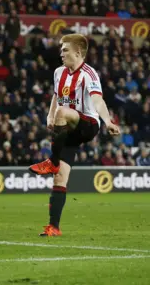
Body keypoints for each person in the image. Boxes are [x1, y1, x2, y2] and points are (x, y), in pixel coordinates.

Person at [29, 34, 120, 236]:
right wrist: (49, 115)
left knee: (63, 112)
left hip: (88, 124)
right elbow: (56, 96)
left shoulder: (89, 74)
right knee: (60, 177)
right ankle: (54, 227)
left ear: (78, 52)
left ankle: (51, 161)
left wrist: (107, 121)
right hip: (69, 127)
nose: (61, 53)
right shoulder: (58, 73)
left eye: (65, 50)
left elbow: (97, 101)